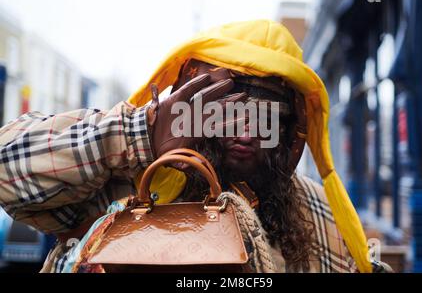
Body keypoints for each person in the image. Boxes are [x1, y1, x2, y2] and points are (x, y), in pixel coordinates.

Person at [0, 20, 390, 273]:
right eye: (229, 112)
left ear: (290, 132)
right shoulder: (125, 185)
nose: (246, 132)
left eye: (266, 117)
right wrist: (140, 136)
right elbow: (6, 166)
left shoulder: (316, 212)